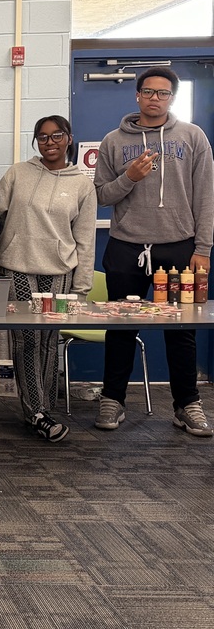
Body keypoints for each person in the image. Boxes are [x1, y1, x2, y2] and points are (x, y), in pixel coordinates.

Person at [94, 66, 213, 437]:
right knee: (121, 327)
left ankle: (186, 405)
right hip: (126, 245)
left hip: (179, 247)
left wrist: (204, 248)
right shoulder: (113, 141)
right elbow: (100, 195)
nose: (155, 98)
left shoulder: (192, 137)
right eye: (148, 92)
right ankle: (113, 400)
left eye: (163, 93)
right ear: (137, 95)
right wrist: (131, 177)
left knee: (181, 331)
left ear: (172, 98)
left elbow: (206, 195)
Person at [0, 116, 96, 442]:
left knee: (49, 340)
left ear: (69, 138)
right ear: (36, 141)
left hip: (60, 274)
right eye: (42, 137)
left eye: (56, 136)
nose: (49, 142)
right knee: (27, 340)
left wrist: (81, 287)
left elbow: (85, 239)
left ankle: (42, 409)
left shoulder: (82, 184)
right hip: (17, 268)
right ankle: (36, 412)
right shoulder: (18, 173)